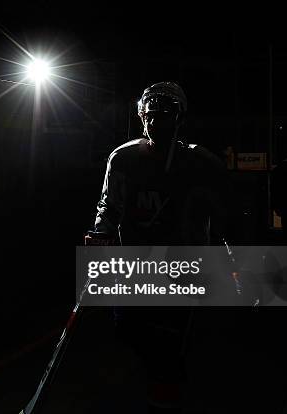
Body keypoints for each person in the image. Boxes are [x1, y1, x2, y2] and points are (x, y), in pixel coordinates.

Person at [85, 81, 230, 413]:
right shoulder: (123, 158)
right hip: (135, 260)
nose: (158, 122)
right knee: (127, 326)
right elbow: (110, 204)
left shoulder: (199, 162)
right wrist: (100, 232)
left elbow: (222, 207)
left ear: (179, 119)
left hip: (181, 263)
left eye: (166, 115)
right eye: (152, 115)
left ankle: (167, 389)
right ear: (142, 116)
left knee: (171, 336)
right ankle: (161, 376)